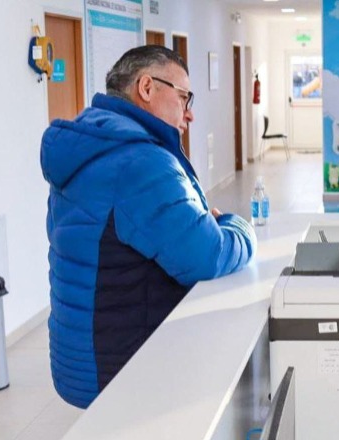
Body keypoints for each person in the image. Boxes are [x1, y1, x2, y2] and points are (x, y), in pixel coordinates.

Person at [40, 45, 256, 408]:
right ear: (146, 87)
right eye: (184, 97)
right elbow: (207, 255)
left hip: (78, 354)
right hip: (121, 363)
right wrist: (239, 227)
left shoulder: (91, 144)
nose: (189, 113)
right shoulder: (140, 161)